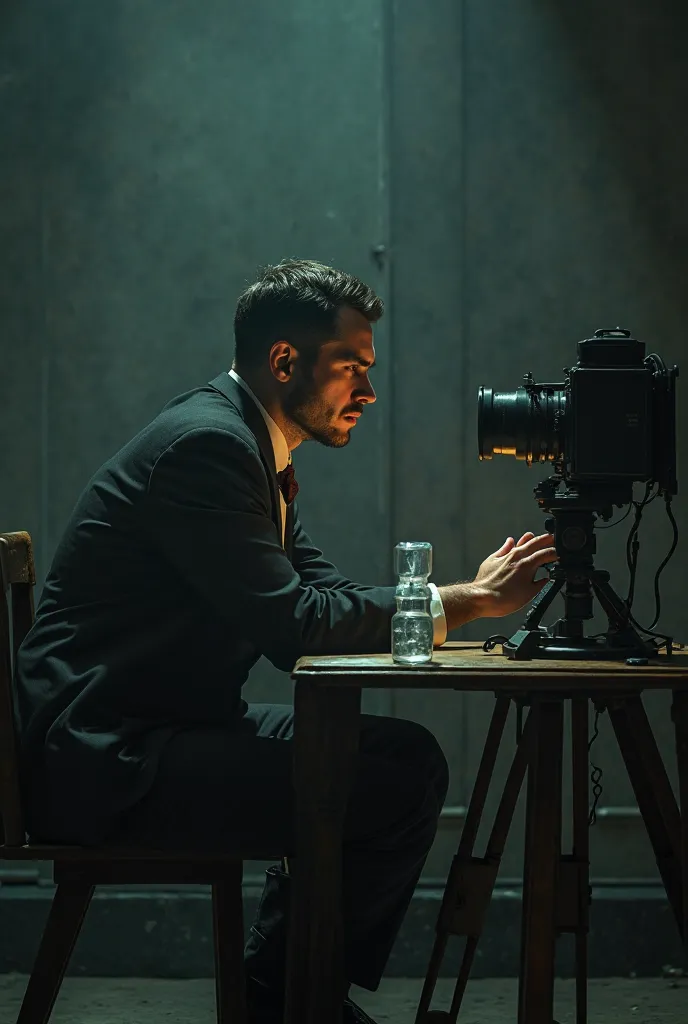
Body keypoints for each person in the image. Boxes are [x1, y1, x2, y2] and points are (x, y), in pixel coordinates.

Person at [15, 259, 556, 1023]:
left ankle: (287, 992)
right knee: (389, 784)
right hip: (111, 758)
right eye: (351, 369)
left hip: (162, 729)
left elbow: (321, 594)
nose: (367, 392)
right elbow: (295, 626)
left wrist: (458, 603)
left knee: (403, 760)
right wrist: (466, 600)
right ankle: (283, 996)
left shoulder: (248, 446)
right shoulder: (209, 447)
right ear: (282, 361)